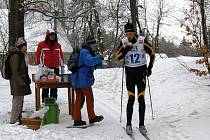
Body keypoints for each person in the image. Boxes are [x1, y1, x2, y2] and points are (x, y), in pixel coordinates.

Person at [115, 22, 155, 135]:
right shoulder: (124, 42)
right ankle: (128, 125)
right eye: (127, 34)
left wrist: (150, 68)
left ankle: (142, 125)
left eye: (131, 33)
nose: (129, 36)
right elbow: (117, 57)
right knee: (131, 99)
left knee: (141, 98)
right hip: (130, 73)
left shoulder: (142, 40)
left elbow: (152, 53)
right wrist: (125, 50)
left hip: (141, 72)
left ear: (134, 32)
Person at [70, 35, 107, 126]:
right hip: (83, 80)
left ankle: (77, 119)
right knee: (89, 98)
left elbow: (90, 63)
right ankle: (92, 117)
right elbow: (89, 61)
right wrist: (101, 57)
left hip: (78, 79)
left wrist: (99, 62)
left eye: (95, 43)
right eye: (93, 43)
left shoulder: (84, 51)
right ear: (89, 44)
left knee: (78, 99)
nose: (95, 45)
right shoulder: (85, 52)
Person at [36, 29, 64, 102]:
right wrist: (40, 66)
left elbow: (60, 56)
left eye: (54, 35)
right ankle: (45, 100)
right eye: (51, 35)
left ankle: (53, 100)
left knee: (54, 85)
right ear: (47, 36)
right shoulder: (42, 44)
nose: (52, 36)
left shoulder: (58, 45)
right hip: (46, 68)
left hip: (55, 68)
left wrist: (62, 66)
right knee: (46, 85)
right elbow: (38, 55)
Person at [9, 37, 32, 124]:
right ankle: (13, 120)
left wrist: (27, 79)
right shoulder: (16, 56)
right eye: (24, 46)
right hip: (17, 82)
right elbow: (14, 71)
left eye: (26, 46)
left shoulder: (21, 55)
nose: (26, 48)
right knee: (17, 101)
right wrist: (21, 82)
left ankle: (18, 118)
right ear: (20, 47)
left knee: (20, 100)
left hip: (20, 82)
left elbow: (24, 70)